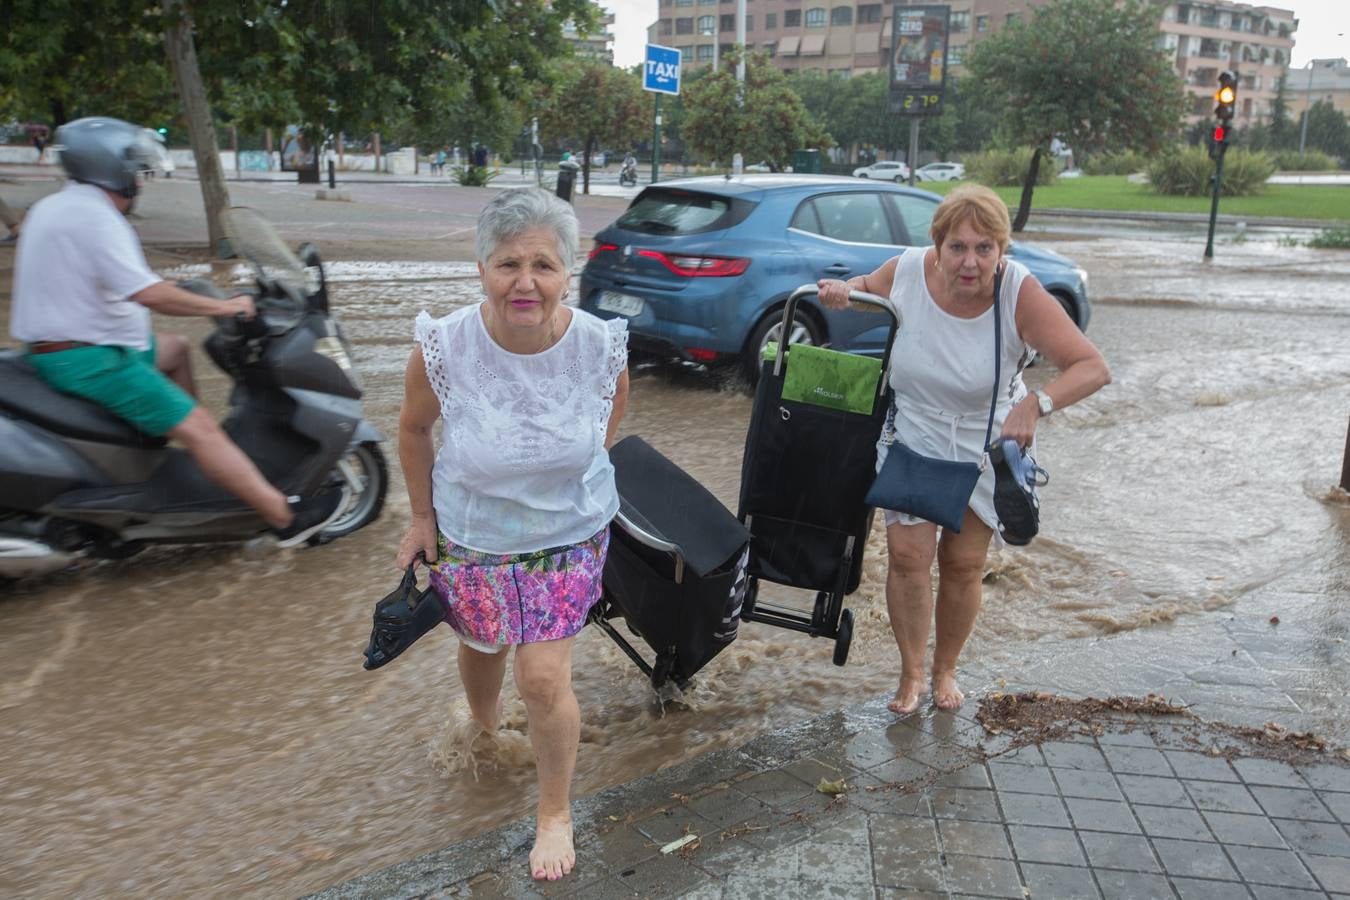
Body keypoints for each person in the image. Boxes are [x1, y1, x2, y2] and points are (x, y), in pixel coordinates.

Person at [395, 188, 630, 881]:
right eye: (507, 265)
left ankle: (554, 813)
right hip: (471, 533)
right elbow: (412, 429)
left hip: (566, 534)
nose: (525, 282)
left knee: (542, 674)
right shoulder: (443, 345)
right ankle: (486, 730)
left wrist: (572, 481)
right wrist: (419, 518)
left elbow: (608, 421)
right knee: (482, 643)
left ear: (568, 274)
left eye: (543, 265)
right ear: (480, 269)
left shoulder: (599, 345)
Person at [817, 184, 1110, 714]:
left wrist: (1035, 405)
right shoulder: (906, 270)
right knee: (909, 557)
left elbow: (1092, 367)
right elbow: (863, 287)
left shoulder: (1018, 292)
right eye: (958, 247)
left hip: (986, 439)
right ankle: (911, 676)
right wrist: (844, 290)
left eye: (984, 249)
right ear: (938, 246)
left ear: (1002, 251)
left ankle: (945, 668)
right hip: (914, 430)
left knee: (962, 564)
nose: (970, 262)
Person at [8, 116, 343, 547]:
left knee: (175, 349)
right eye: (135, 169)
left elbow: (109, 282)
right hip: (91, 360)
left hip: (66, 347)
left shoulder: (55, 206)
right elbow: (149, 295)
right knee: (201, 426)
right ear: (110, 167)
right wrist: (224, 305)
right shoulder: (94, 217)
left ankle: (194, 464)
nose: (140, 181)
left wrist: (194, 291)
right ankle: (286, 519)